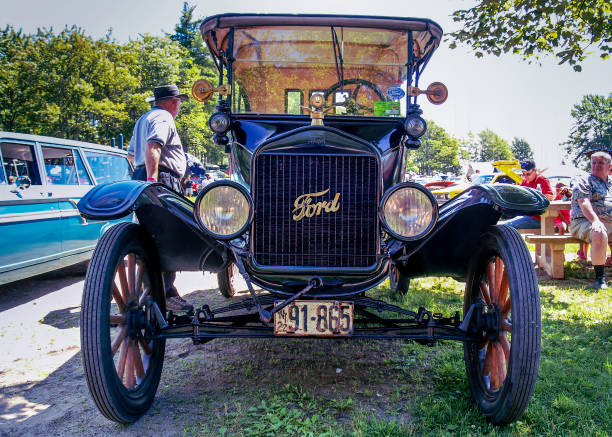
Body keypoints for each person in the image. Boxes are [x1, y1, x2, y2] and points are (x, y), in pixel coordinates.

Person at [127, 84, 193, 311]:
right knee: (167, 235)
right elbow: (153, 146)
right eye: (179, 103)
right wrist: (153, 180)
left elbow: (130, 154)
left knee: (149, 234)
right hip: (160, 178)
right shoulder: (163, 117)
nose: (179, 107)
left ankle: (155, 287)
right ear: (174, 102)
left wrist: (142, 176)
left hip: (142, 174)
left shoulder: (142, 119)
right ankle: (164, 291)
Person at [569, 151, 612, 289]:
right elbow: (584, 202)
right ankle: (600, 278)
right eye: (593, 162)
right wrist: (595, 221)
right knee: (599, 232)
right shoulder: (583, 179)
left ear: (609, 166)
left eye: (600, 162)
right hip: (583, 221)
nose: (596, 165)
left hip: (609, 221)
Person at [505, 159, 554, 229]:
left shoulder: (542, 180)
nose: (526, 176)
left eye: (528, 174)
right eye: (523, 174)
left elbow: (550, 197)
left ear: (535, 170)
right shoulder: (525, 182)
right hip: (527, 216)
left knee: (508, 227)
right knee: (504, 225)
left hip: (540, 218)